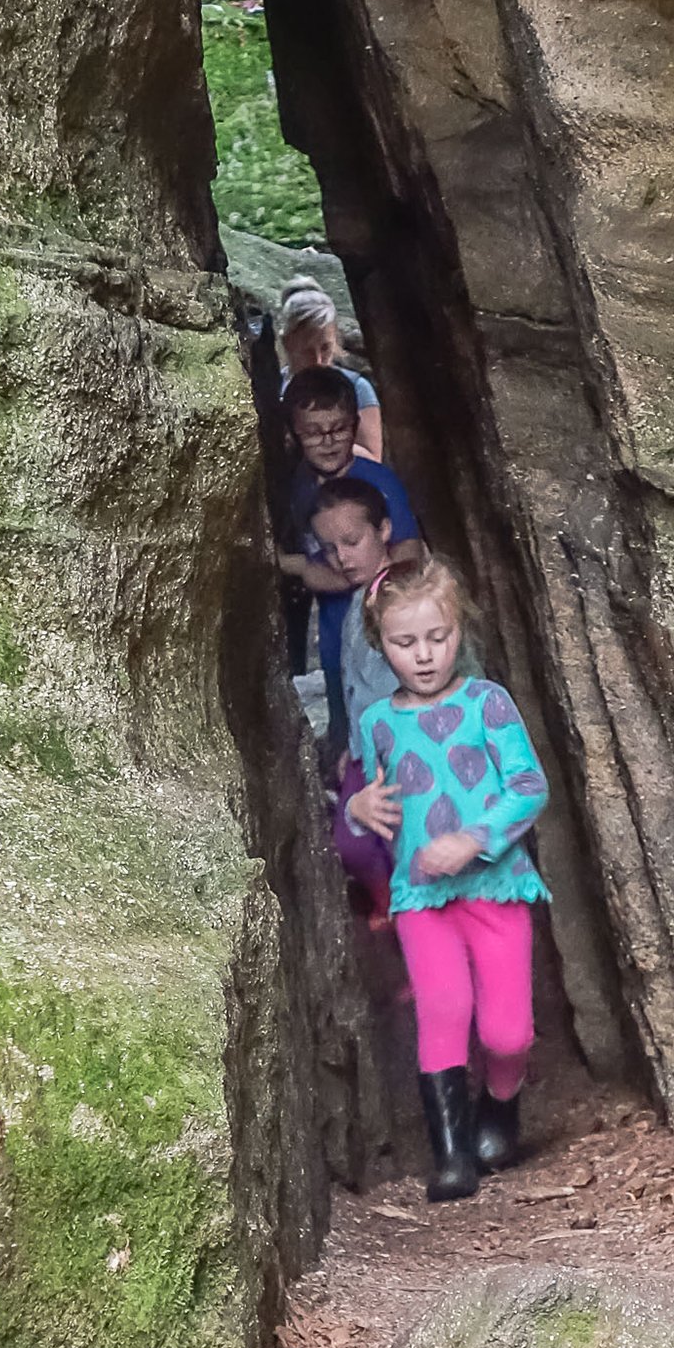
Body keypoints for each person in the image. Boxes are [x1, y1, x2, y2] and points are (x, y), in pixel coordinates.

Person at [349, 556, 549, 1202]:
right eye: (406, 643)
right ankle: (452, 1154)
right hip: (420, 895)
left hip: (497, 886)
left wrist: (474, 838)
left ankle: (500, 1102)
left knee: (506, 1032)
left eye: (440, 637)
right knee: (442, 1009)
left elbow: (527, 784)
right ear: (381, 644)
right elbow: (358, 790)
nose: (426, 655)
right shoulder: (377, 721)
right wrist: (356, 807)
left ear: (460, 629)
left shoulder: (487, 702)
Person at [277, 368, 419, 759]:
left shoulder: (377, 481)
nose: (328, 441)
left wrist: (302, 570)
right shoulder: (300, 484)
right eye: (313, 432)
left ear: (356, 424)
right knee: (344, 720)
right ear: (293, 434)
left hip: (378, 634)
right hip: (335, 632)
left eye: (339, 429)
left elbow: (408, 553)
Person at [311, 474, 401, 921]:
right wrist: (352, 747)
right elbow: (357, 687)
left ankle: (406, 916)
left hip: (403, 746)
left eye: (352, 541)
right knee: (354, 841)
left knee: (396, 840)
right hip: (367, 748)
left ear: (384, 529)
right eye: (329, 549)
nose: (342, 558)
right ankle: (391, 905)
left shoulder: (402, 597)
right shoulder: (356, 599)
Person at [276, 276, 383, 458]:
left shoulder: (357, 388)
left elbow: (373, 458)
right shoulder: (273, 388)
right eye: (307, 351)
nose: (318, 360)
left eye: (325, 348)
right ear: (287, 343)